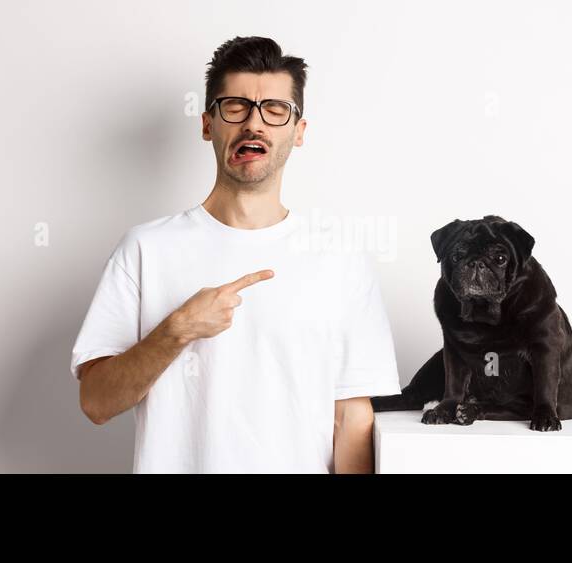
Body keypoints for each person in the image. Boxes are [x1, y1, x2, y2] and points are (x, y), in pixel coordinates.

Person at [69, 36, 401, 473]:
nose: (254, 124)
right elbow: (96, 402)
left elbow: (352, 418)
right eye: (235, 107)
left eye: (275, 110)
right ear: (208, 124)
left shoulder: (339, 259)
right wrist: (177, 330)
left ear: (298, 132)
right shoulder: (146, 249)